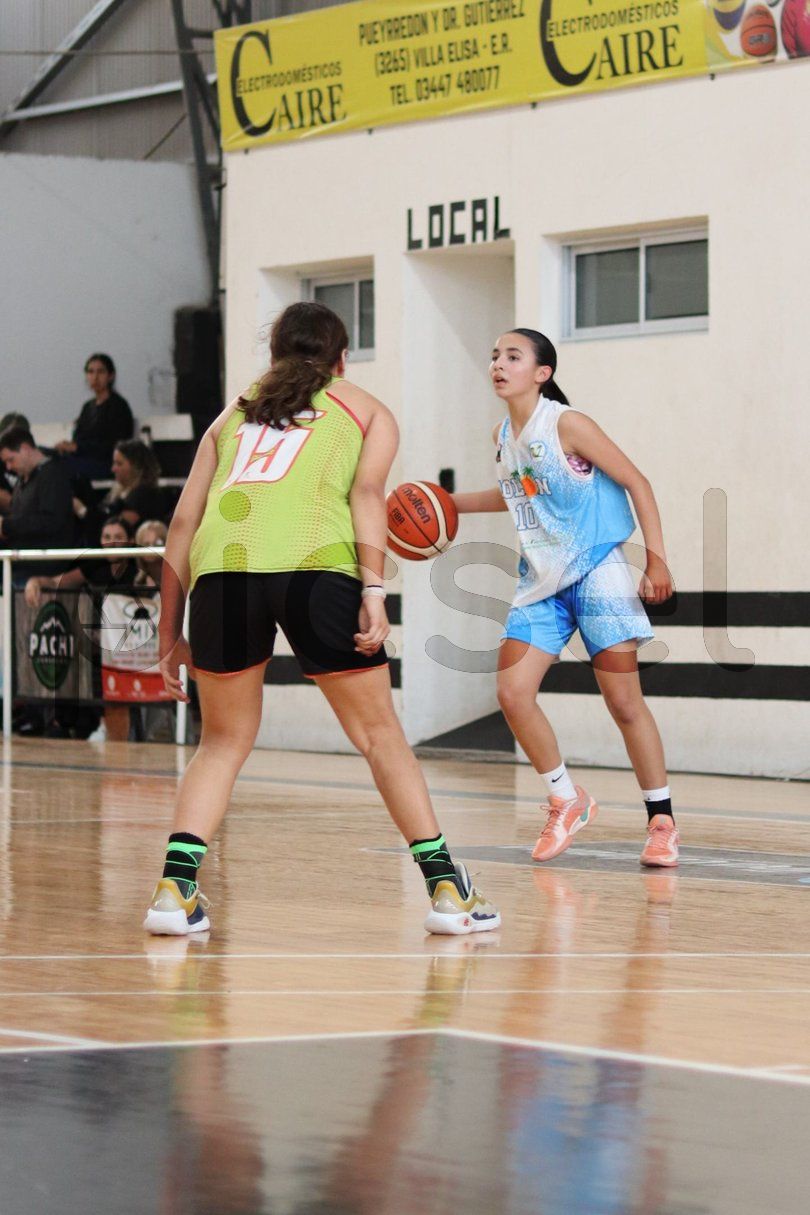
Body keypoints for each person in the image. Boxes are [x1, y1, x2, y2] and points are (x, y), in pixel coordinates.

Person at [145, 301, 500, 937]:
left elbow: (182, 524)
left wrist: (168, 633)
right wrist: (374, 591)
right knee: (380, 736)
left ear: (275, 354)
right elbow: (366, 496)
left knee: (221, 743)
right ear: (342, 360)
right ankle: (448, 890)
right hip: (317, 569)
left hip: (222, 576)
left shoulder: (230, 417)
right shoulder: (365, 409)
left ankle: (175, 891)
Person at [453, 328, 679, 867]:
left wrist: (657, 560)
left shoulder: (568, 424)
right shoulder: (501, 435)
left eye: (513, 356)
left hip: (598, 571)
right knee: (513, 693)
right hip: (540, 582)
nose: (498, 364)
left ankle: (662, 821)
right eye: (495, 355)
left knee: (623, 703)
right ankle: (566, 799)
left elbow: (638, 482)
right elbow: (516, 494)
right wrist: (446, 503)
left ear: (542, 373)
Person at [0, 426, 77, 583]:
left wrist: (7, 525)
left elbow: (51, 521)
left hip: (43, 568)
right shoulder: (23, 479)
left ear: (25, 449)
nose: (8, 467)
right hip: (21, 563)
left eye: (11, 460)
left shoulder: (53, 475)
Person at [55, 353, 133, 480]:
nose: (95, 377)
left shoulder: (118, 406)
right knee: (49, 459)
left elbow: (115, 445)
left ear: (111, 376)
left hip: (106, 464)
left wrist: (78, 448)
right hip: (83, 461)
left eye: (100, 372)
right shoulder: (87, 407)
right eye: (91, 372)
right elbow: (78, 438)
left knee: (59, 468)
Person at [79, 439, 164, 536]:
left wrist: (82, 511)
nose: (113, 469)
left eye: (119, 464)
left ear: (136, 467)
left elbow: (119, 529)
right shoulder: (119, 491)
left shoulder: (144, 495)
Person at [134, 518, 167, 587]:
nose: (151, 549)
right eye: (146, 544)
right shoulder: (138, 580)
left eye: (156, 544)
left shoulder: (174, 576)